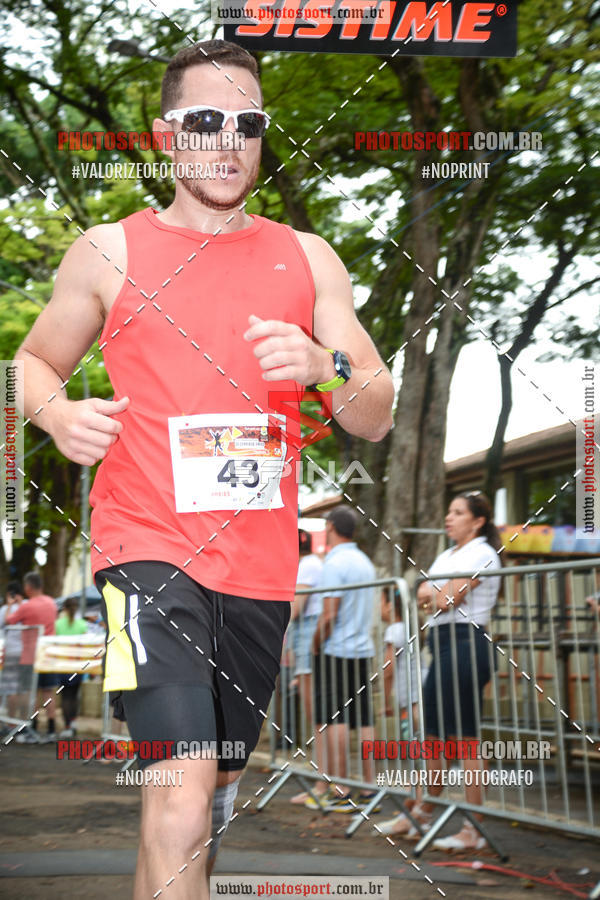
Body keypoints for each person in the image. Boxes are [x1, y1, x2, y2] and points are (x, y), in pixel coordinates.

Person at [14, 39, 394, 899]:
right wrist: (58, 412)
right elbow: (31, 363)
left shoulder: (309, 258)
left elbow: (375, 411)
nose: (229, 138)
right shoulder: (109, 250)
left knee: (204, 797)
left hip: (258, 570)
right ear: (165, 134)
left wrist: (322, 366)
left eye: (248, 121)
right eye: (206, 119)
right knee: (179, 784)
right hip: (142, 547)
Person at [379, 491, 502, 850]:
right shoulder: (449, 554)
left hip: (467, 643)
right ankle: (421, 813)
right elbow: (421, 593)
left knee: (465, 739)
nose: (449, 518)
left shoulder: (482, 552)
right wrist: (435, 593)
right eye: (448, 511)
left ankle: (474, 830)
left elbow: (446, 599)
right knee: (431, 732)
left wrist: (434, 593)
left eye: (458, 512)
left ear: (477, 521)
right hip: (442, 643)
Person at [308, 505, 378, 813]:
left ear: (331, 528)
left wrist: (314, 643)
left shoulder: (334, 563)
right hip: (362, 648)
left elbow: (329, 614)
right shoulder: (365, 561)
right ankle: (368, 787)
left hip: (336, 649)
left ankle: (341, 787)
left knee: (332, 716)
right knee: (362, 718)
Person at [288, 529, 323, 804]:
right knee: (317, 716)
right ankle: (322, 781)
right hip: (306, 633)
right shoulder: (311, 564)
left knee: (317, 715)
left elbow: (295, 607)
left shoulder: (308, 565)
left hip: (307, 633)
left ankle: (323, 783)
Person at [6, 572, 58, 742]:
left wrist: (10, 605)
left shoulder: (26, 606)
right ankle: (51, 730)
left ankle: (31, 728)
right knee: (49, 692)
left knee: (30, 693)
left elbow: (9, 621)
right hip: (48, 654)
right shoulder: (51, 603)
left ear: (28, 587)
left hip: (30, 656)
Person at [380, 585, 427, 738]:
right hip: (422, 685)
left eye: (380, 602)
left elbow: (388, 669)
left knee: (418, 733)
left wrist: (385, 702)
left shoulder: (393, 630)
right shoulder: (410, 626)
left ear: (390, 606)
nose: (378, 607)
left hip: (411, 693)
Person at [55, 596, 88, 737]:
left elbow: (55, 644)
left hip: (63, 664)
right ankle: (73, 722)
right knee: (74, 695)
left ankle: (67, 725)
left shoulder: (58, 624)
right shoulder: (82, 624)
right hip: (78, 664)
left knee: (65, 697)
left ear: (65, 609)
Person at [0, 581, 25, 723]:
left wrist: (9, 605)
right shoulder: (25, 606)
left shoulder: (5, 609)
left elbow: (4, 623)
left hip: (9, 651)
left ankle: (9, 720)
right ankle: (17, 721)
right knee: (21, 689)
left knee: (9, 688)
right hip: (25, 652)